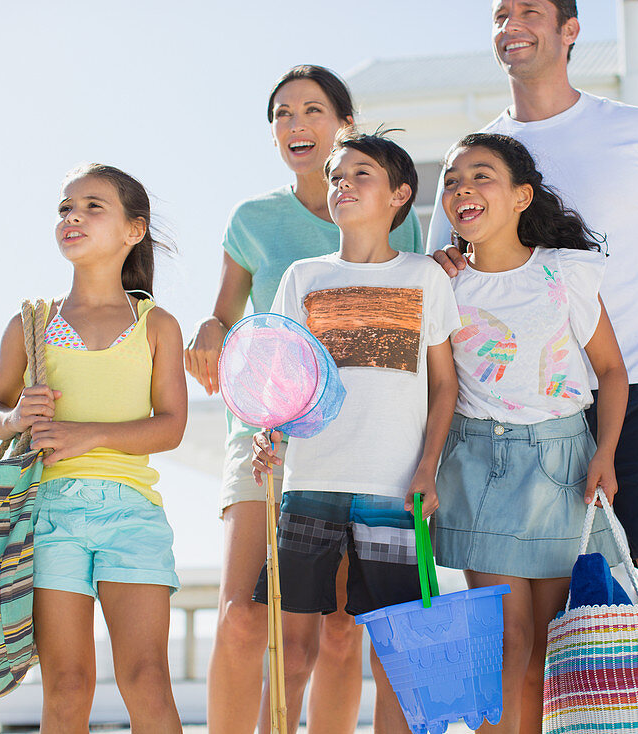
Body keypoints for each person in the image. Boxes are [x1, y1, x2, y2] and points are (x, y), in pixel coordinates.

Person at [429, 2, 638, 731]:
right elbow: (445, 279)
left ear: (570, 31)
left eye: (531, 9)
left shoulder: (633, 131)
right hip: (528, 419)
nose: (512, 22)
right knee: (543, 620)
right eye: (501, 13)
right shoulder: (476, 158)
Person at [183, 65, 422, 734]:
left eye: (313, 110)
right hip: (267, 438)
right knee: (241, 617)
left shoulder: (396, 221)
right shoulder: (254, 220)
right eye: (283, 112)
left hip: (358, 451)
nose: (296, 123)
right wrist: (207, 333)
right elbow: (224, 315)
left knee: (341, 631)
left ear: (344, 124)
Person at [251, 130, 460, 734]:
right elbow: (286, 381)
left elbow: (444, 384)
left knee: (395, 654)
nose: (342, 184)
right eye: (336, 175)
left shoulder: (425, 277)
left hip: (393, 490)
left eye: (360, 174)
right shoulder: (303, 277)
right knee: (291, 653)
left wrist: (427, 468)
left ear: (400, 195)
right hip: (309, 481)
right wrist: (271, 433)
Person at [433, 132, 631, 733]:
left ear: (521, 196)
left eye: (481, 175)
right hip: (477, 464)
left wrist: (607, 454)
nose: (462, 187)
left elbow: (613, 371)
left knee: (547, 648)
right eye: (451, 179)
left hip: (560, 464)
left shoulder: (562, 273)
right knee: (505, 643)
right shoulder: (438, 283)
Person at [0, 164, 187, 732]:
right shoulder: (32, 324)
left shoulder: (158, 325)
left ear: (133, 230)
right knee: (67, 686)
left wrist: (83, 434)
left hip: (133, 515)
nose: (73, 217)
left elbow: (170, 427)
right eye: (66, 207)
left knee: (146, 679)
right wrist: (15, 416)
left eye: (93, 206)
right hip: (49, 518)